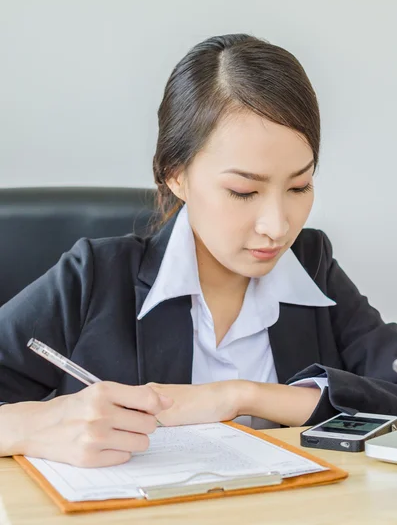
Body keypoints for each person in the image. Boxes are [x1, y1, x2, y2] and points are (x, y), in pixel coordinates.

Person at [0, 34, 396, 468]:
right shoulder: (94, 276)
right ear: (176, 176)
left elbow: (388, 394)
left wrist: (238, 396)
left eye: (299, 186)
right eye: (244, 191)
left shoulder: (312, 263)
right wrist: (43, 422)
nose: (278, 226)